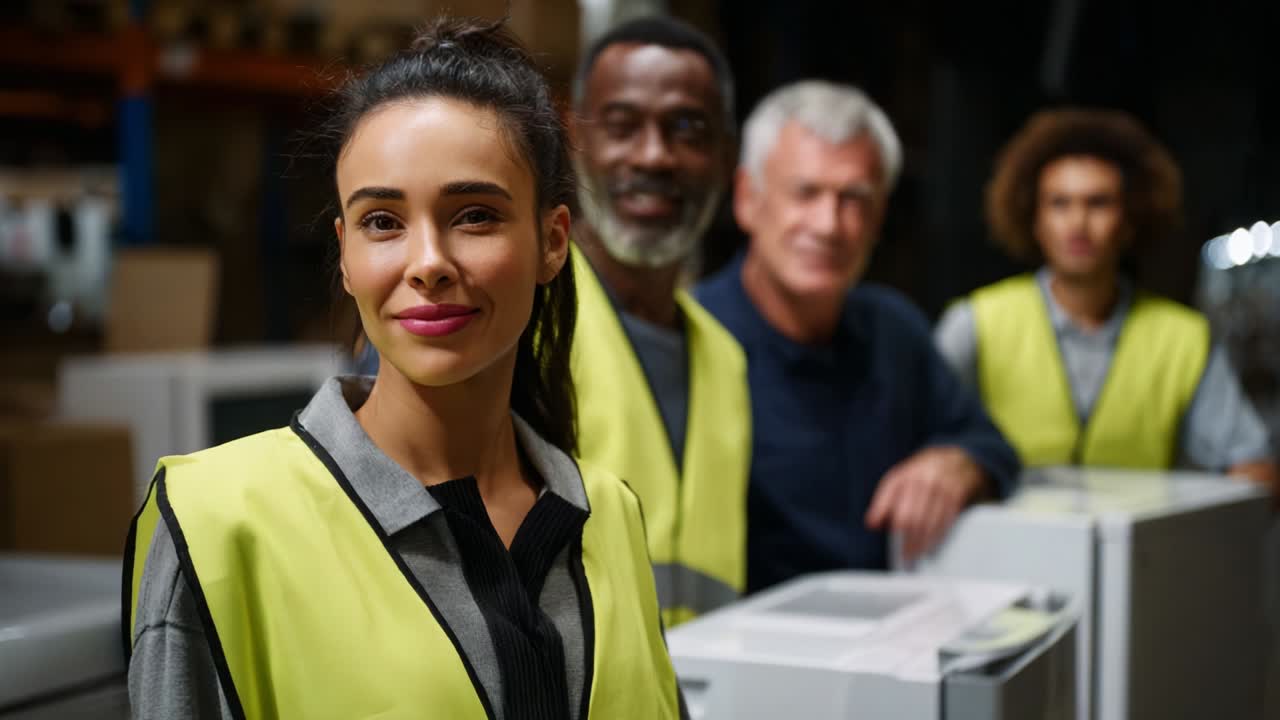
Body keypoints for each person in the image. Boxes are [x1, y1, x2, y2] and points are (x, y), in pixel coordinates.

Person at [123, 19, 684, 719]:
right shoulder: (218, 526)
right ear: (346, 254)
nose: (426, 263)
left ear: (551, 241)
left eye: (474, 215)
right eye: (382, 222)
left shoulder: (610, 516)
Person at [696, 81, 1020, 592]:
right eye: (805, 193)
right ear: (748, 200)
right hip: (740, 648)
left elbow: (989, 443)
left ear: (879, 218)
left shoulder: (894, 329)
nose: (829, 224)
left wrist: (957, 463)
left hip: (890, 635)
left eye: (854, 199)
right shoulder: (691, 336)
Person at [935, 109, 1277, 496]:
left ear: (1129, 219)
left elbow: (1254, 466)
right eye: (1060, 203)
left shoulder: (1184, 340)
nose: (1078, 223)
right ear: (1035, 219)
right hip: (1002, 550)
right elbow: (920, 442)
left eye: (1098, 203)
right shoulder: (976, 322)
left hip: (1139, 552)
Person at [568, 16, 750, 625]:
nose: (653, 156)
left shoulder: (725, 357)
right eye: (622, 127)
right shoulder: (511, 326)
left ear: (726, 158)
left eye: (687, 130)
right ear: (573, 141)